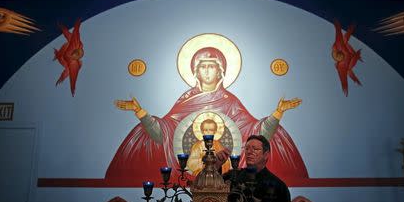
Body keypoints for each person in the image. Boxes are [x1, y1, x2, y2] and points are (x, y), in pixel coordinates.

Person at [106, 46, 308, 185]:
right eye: (202, 66)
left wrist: (278, 113)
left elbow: (253, 130)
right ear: (195, 71)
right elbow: (164, 133)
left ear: (221, 71)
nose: (207, 71)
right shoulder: (185, 100)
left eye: (212, 66)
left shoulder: (230, 102)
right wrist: (140, 112)